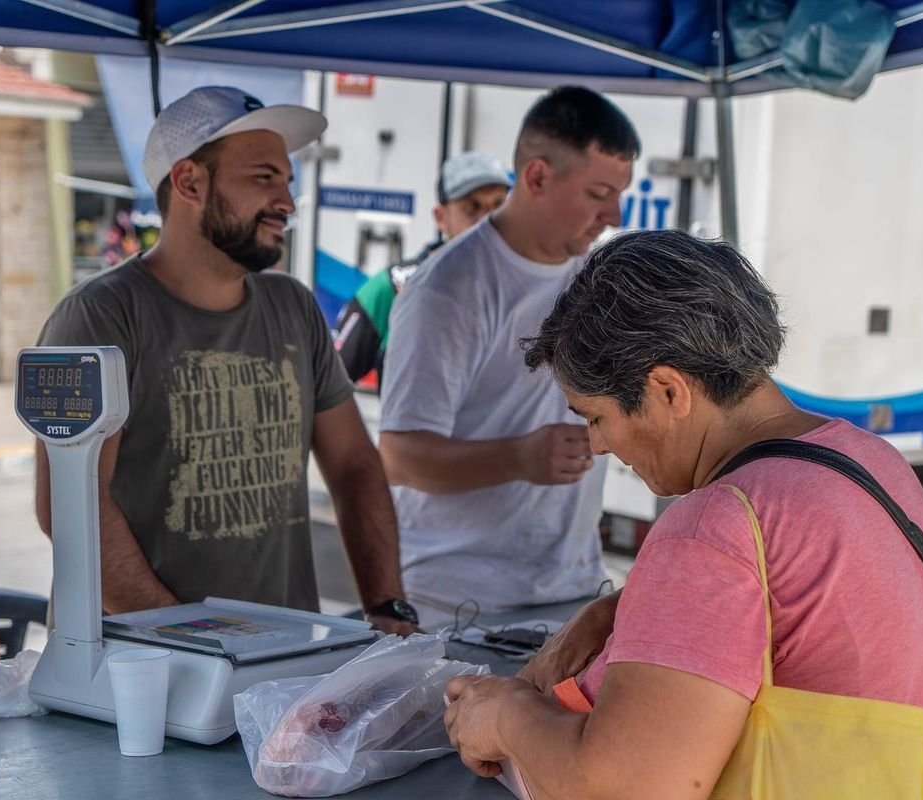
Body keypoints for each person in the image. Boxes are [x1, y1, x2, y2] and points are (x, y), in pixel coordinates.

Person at [441, 230, 923, 799]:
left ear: (668, 391)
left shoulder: (716, 525)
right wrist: (620, 612)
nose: (597, 445)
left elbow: (626, 789)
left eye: (595, 417)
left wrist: (506, 715)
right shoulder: (869, 461)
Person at [35, 86, 418, 635]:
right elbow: (71, 508)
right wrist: (194, 641)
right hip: (137, 677)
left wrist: (387, 606)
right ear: (190, 181)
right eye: (264, 178)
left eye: (287, 181)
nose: (286, 201)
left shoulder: (293, 307)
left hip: (285, 672)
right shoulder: (98, 318)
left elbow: (355, 466)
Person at [378, 86, 640, 628]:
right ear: (538, 176)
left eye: (619, 193)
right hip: (460, 604)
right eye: (598, 192)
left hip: (571, 586)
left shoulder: (594, 277)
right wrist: (518, 458)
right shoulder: (449, 289)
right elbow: (400, 455)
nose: (612, 213)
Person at [332, 151, 511, 389]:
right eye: (472, 207)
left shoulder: (527, 286)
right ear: (441, 217)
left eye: (498, 205)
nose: (487, 220)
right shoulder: (392, 288)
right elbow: (328, 388)